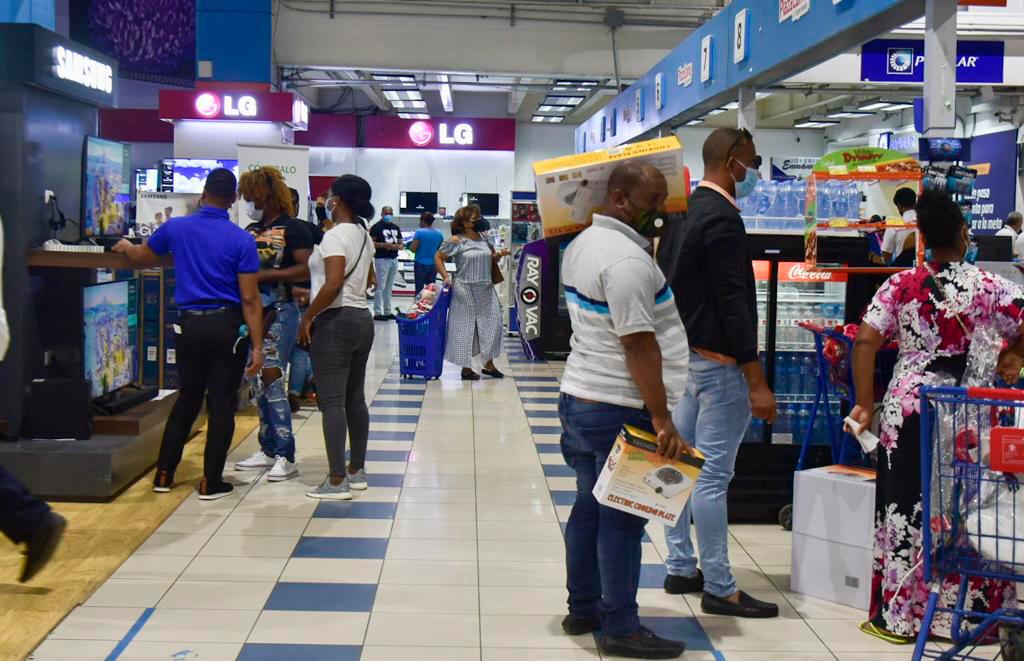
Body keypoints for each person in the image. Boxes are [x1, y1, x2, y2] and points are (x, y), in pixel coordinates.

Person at [849, 190, 1024, 643]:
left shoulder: (900, 286)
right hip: (970, 408)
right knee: (970, 507)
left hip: (910, 407)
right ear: (964, 233)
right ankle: (970, 612)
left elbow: (866, 342)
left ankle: (903, 613)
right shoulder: (992, 287)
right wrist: (1013, 358)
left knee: (903, 504)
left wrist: (864, 403)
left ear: (922, 238)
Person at [559, 162, 691, 659]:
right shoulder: (627, 263)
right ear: (619, 199)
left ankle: (585, 608)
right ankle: (621, 626)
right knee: (623, 519)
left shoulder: (582, 245)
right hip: (619, 404)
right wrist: (661, 418)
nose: (660, 211)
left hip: (580, 396)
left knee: (590, 507)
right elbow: (638, 344)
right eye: (652, 201)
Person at [658, 127, 779, 618]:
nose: (753, 171)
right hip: (722, 367)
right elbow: (734, 302)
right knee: (710, 478)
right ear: (732, 161)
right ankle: (721, 586)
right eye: (751, 160)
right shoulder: (725, 219)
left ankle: (681, 566)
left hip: (685, 359)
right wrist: (756, 380)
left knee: (676, 467)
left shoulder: (682, 213)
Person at [114, 168, 264, 499]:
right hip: (227, 327)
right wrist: (257, 346)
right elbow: (250, 299)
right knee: (222, 403)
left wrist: (125, 245)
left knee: (188, 398)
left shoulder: (177, 227)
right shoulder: (242, 240)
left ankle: (164, 474)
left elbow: (141, 256)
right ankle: (211, 481)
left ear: (203, 194)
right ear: (234, 199)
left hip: (189, 326)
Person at [298, 175, 376, 500]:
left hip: (335, 322)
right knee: (355, 397)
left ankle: (335, 480)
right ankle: (356, 470)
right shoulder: (364, 235)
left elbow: (331, 285)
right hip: (362, 320)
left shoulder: (334, 237)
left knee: (331, 402)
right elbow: (370, 279)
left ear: (338, 200)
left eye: (329, 196)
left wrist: (309, 314)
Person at [233, 166, 314, 482]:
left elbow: (305, 269)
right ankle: (267, 448)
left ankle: (285, 453)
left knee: (270, 375)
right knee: (257, 380)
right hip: (252, 313)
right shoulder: (251, 230)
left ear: (268, 195)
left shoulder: (295, 230)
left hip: (280, 311)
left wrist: (267, 276)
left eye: (254, 196)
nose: (250, 202)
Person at [436, 206, 508, 380]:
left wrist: (499, 255)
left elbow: (490, 258)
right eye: (475, 218)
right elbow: (438, 257)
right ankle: (466, 368)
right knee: (465, 327)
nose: (479, 220)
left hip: (486, 287)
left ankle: (488, 365)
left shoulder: (484, 239)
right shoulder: (457, 240)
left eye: (479, 217)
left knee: (493, 324)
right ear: (465, 223)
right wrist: (446, 276)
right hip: (464, 287)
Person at [288, 188, 323, 412]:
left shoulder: (270, 230)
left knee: (295, 348)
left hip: (280, 295)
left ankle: (293, 391)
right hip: (308, 293)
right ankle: (307, 381)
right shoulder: (308, 229)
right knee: (302, 345)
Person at [369, 206, 403, 320]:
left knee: (388, 287)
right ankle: (378, 312)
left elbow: (401, 244)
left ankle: (387, 311)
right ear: (382, 214)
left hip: (393, 258)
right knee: (380, 286)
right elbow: (371, 243)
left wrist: (395, 246)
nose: (388, 215)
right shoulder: (376, 227)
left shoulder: (396, 227)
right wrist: (383, 245)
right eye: (386, 213)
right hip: (381, 259)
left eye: (390, 213)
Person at [881, 187, 919, 266]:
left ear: (899, 206)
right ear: (915, 203)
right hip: (924, 269)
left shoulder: (894, 225)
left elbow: (886, 256)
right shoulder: (926, 222)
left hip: (902, 271)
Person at [409, 211, 444, 296]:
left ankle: (418, 308)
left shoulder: (419, 232)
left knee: (419, 290)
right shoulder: (439, 233)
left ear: (423, 221)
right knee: (430, 290)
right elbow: (439, 250)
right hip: (433, 264)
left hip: (420, 263)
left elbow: (413, 249)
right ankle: (429, 308)